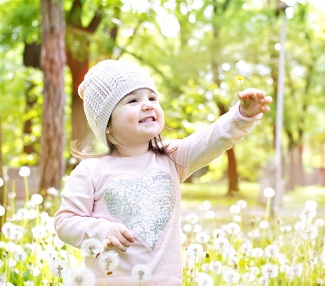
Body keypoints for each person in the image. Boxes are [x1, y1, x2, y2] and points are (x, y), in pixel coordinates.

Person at [54, 59, 272, 285]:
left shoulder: (172, 158)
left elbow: (212, 139)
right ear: (106, 124)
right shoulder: (91, 171)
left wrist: (241, 116)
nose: (147, 105)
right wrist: (102, 230)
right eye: (132, 100)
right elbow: (65, 221)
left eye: (152, 98)